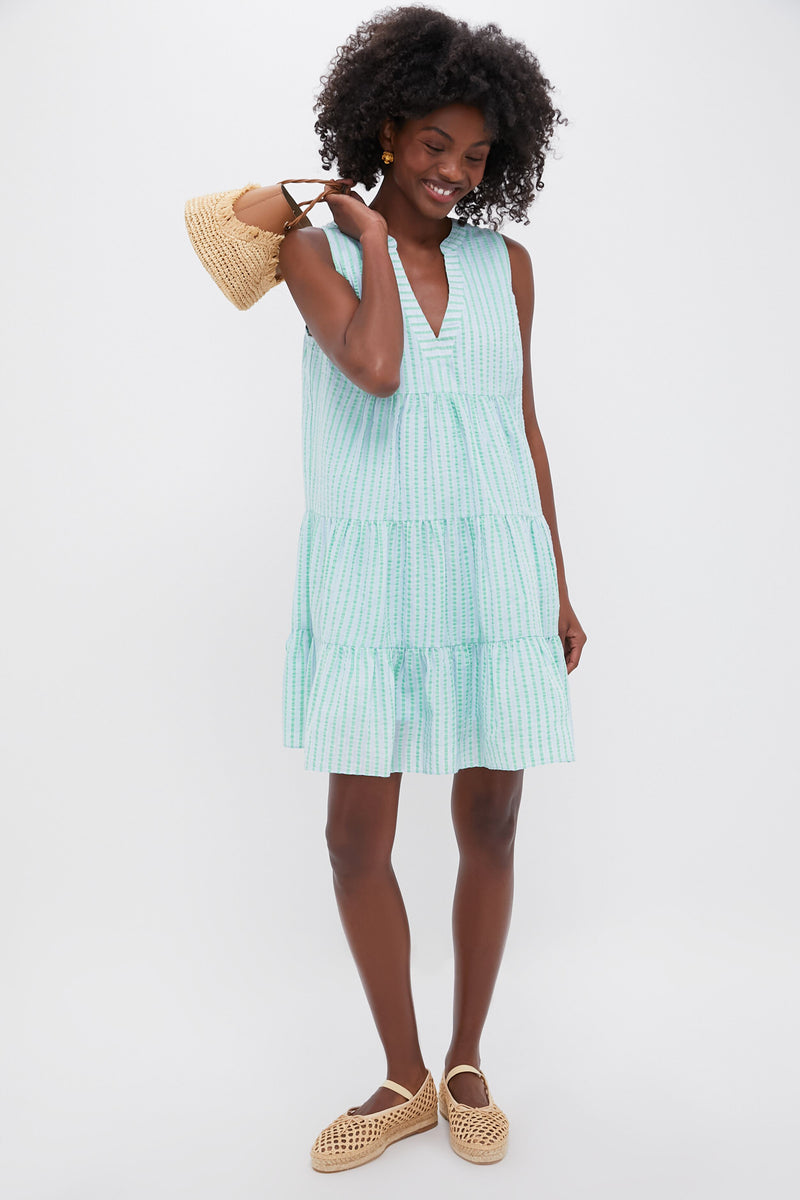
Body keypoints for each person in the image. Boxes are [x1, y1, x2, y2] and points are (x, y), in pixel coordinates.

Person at [236, 4, 587, 1172]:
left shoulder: (506, 268)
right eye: (436, 144)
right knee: (353, 839)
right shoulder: (315, 252)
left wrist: (556, 584)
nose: (456, 172)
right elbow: (377, 370)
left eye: (478, 154)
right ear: (387, 129)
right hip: (372, 570)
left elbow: (520, 426)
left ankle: (467, 1060)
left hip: (494, 565)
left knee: (491, 820)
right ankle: (402, 1076)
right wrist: (361, 228)